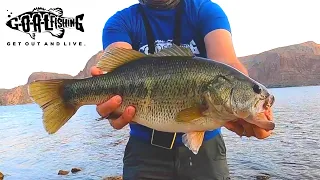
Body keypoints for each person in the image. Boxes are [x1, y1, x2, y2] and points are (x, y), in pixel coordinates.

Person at [91, 0, 273, 179]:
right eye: (256, 91)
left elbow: (226, 63)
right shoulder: (120, 22)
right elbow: (116, 70)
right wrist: (110, 107)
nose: (259, 95)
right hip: (144, 151)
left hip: (207, 151)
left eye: (255, 90)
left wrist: (250, 107)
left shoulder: (205, 10)